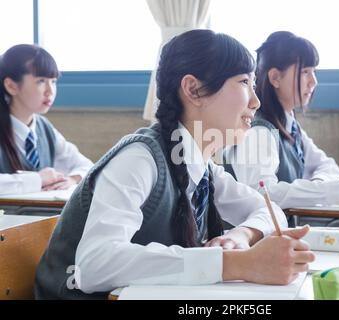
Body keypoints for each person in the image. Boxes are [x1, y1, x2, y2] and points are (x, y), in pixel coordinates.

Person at [34, 30, 315, 299]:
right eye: (244, 82)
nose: (255, 101)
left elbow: (271, 211)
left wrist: (242, 236)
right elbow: (94, 264)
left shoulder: (202, 168)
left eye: (254, 85)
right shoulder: (139, 160)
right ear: (193, 89)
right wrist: (235, 264)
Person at [221, 31, 339, 226]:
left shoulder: (289, 123)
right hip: (248, 242)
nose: (313, 81)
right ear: (275, 77)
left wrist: (323, 186)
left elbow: (327, 165)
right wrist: (334, 191)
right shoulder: (258, 131)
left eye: (314, 71)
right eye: (305, 72)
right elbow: (261, 194)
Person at [0, 44, 93, 195]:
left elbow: (86, 166)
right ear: (11, 86)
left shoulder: (44, 127)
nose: (50, 91)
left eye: (53, 81)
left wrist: (71, 179)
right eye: (41, 81)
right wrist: (37, 180)